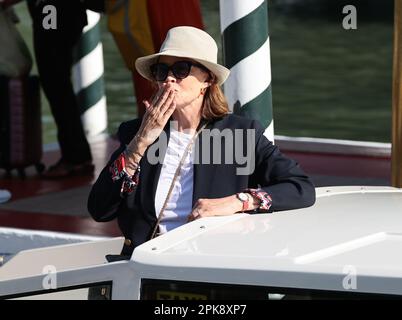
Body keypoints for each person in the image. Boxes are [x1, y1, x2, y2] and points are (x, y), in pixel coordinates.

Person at [88, 26, 316, 258]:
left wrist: (238, 201)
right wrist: (140, 144)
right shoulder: (134, 133)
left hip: (212, 270)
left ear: (208, 78)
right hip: (145, 269)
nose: (169, 78)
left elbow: (300, 188)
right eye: (161, 70)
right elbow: (99, 209)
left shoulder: (240, 134)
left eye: (180, 69)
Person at [26, 0, 94, 178]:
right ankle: (78, 154)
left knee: (56, 85)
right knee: (59, 85)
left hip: (52, 12)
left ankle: (74, 157)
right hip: (61, 13)